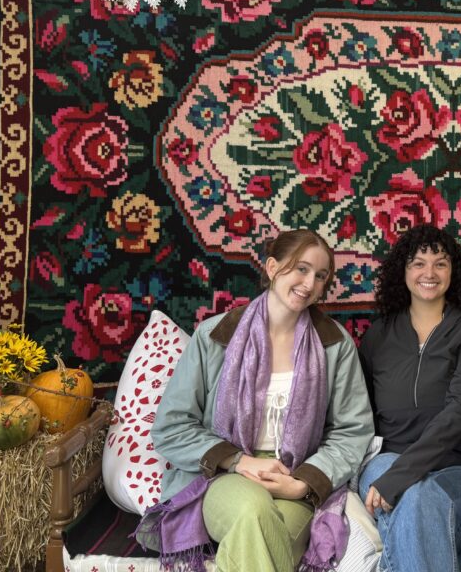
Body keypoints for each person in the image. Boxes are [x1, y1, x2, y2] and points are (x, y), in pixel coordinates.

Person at [138, 229, 374, 572]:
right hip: (224, 479)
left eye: (321, 276)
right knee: (254, 512)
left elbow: (352, 431)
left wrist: (304, 484)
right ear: (273, 267)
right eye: (301, 269)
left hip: (294, 481)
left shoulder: (335, 345)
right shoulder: (215, 336)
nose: (310, 284)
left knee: (260, 541)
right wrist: (239, 462)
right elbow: (171, 426)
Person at [358, 224, 461, 572]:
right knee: (416, 498)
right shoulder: (378, 335)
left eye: (440, 263)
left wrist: (401, 477)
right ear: (402, 272)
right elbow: (359, 411)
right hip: (386, 461)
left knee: (417, 498)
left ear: (454, 271)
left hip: (460, 469)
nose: (429, 273)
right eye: (418, 263)